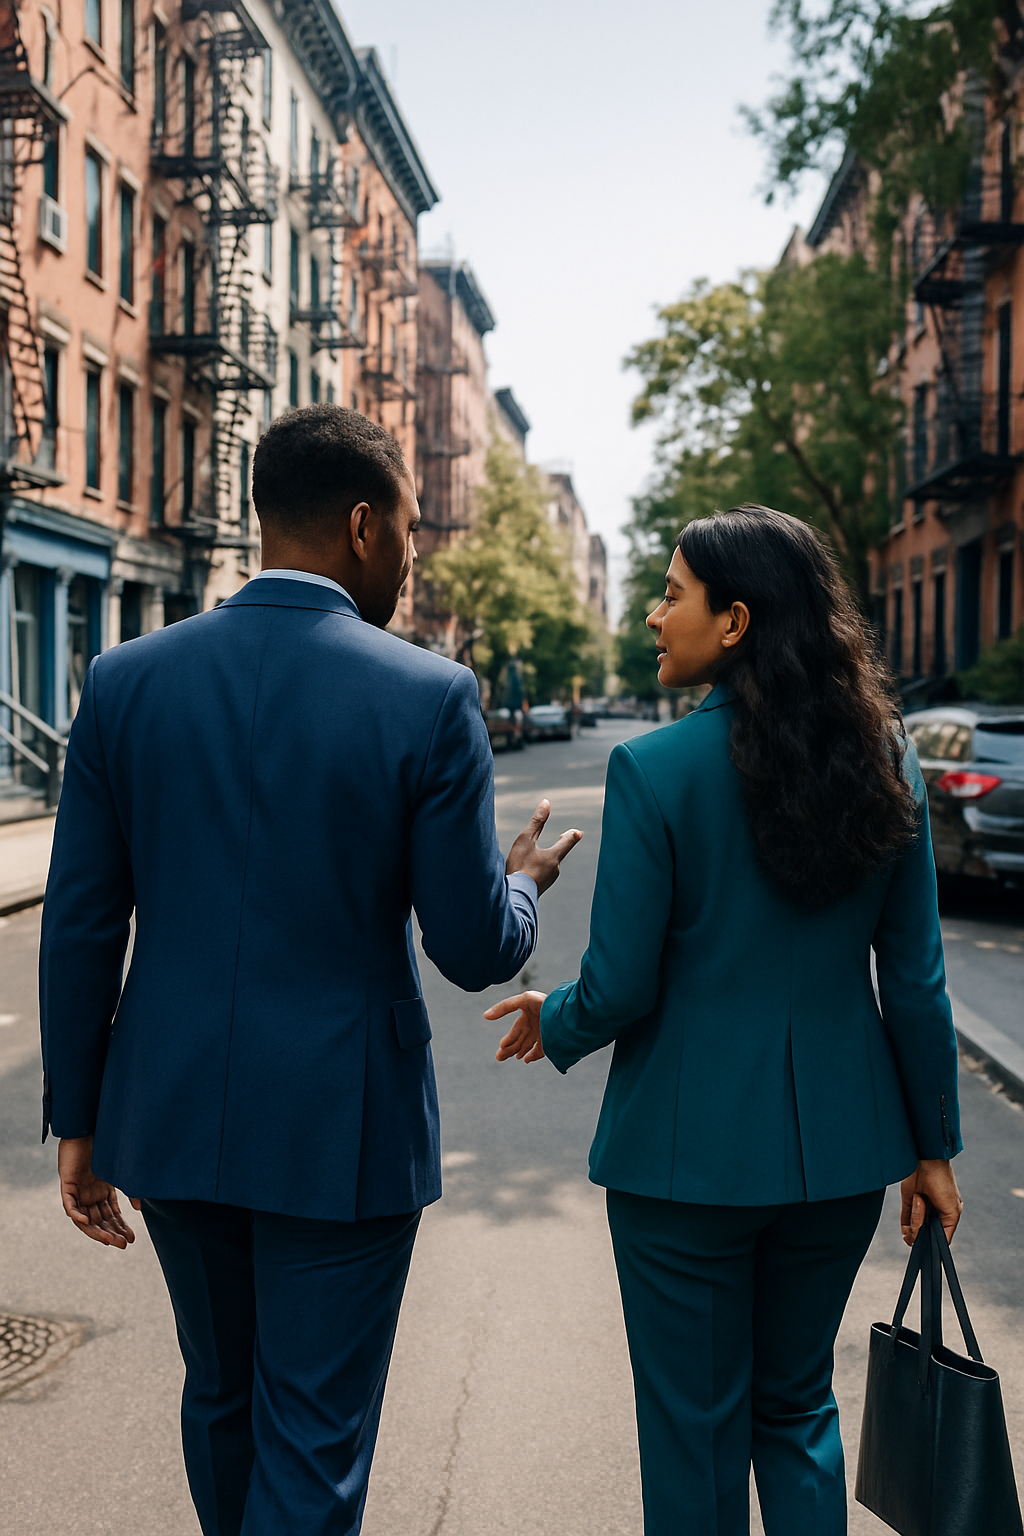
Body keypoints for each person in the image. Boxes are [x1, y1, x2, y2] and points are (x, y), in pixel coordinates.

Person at [39, 405, 581, 1536]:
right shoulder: (430, 694)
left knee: (222, 1397)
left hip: (173, 1115)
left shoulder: (124, 680)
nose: (413, 558)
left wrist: (80, 1120)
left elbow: (83, 922)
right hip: (346, 1127)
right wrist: (523, 879)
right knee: (314, 1435)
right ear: (362, 526)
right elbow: (474, 945)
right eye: (412, 535)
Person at [486, 504, 963, 1536]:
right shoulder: (884, 754)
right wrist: (933, 1151)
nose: (654, 617)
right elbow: (916, 979)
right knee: (796, 1411)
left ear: (735, 621)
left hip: (682, 1169)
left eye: (670, 594)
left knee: (692, 1432)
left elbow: (620, 988)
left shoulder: (654, 773)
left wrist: (553, 1020)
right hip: (839, 1160)